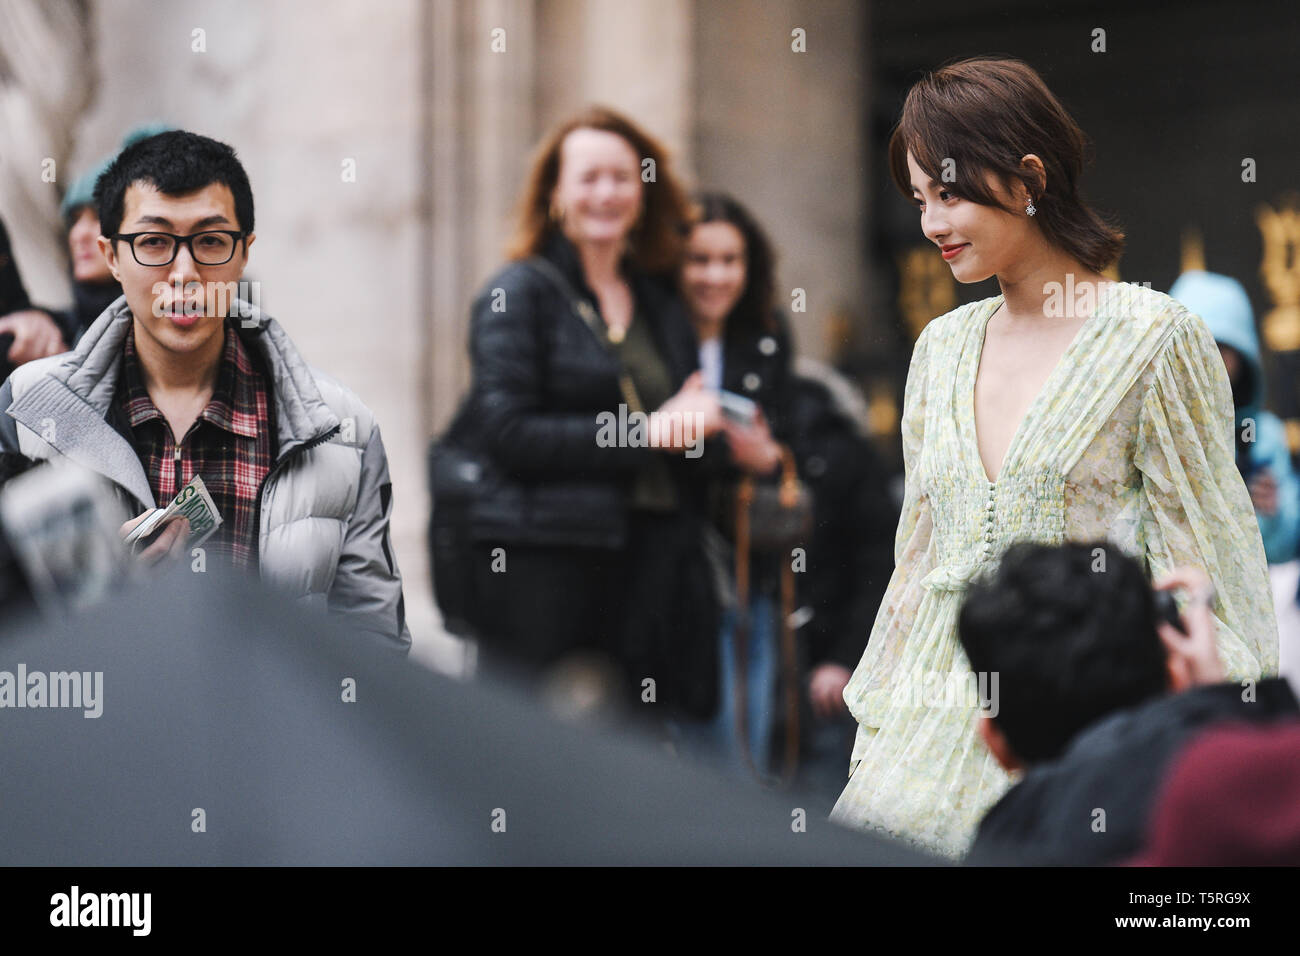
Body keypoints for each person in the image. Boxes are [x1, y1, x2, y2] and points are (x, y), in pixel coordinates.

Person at [830, 56, 1278, 859]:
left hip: (1083, 730)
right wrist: (877, 720)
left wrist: (1217, 736)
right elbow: (917, 559)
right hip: (918, 734)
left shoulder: (1153, 337)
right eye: (920, 199)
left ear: (1029, 175)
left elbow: (1215, 557)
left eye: (951, 192)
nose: (932, 223)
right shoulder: (938, 348)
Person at [0, 130, 409, 648]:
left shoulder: (340, 428)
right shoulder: (30, 408)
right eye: (154, 243)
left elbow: (373, 651)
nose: (185, 273)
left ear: (244, 254)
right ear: (111, 256)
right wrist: (97, 596)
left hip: (269, 726)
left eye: (211, 241)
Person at [457, 106, 725, 716]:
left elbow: (686, 431)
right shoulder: (517, 291)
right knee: (540, 764)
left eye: (623, 177)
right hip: (545, 569)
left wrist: (720, 436)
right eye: (589, 177)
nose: (607, 192)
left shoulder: (660, 300)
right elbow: (505, 432)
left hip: (653, 568)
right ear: (555, 193)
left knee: (643, 766)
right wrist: (646, 434)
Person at [958, 541, 1298, 865]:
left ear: (994, 741)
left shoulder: (997, 846)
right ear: (1175, 676)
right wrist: (1216, 704)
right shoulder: (1223, 802)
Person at [674, 192, 794, 778]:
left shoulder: (767, 336)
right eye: (700, 259)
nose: (716, 275)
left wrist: (769, 457)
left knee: (745, 735)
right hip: (675, 561)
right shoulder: (655, 335)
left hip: (749, 558)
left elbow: (788, 440)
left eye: (731, 260)